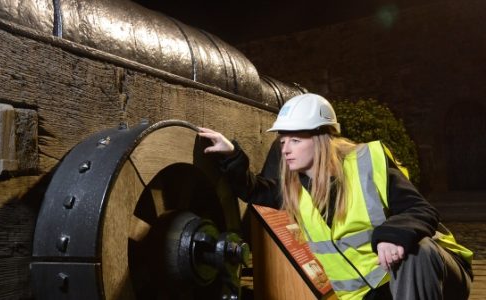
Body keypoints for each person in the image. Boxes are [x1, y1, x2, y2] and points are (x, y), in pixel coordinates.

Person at [198, 93, 473, 300]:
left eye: (296, 140)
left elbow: (421, 210)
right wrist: (231, 154)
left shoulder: (366, 163)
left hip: (435, 276)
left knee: (418, 252)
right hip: (369, 296)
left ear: (320, 139)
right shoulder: (293, 189)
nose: (285, 150)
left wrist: (393, 234)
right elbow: (253, 191)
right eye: (283, 142)